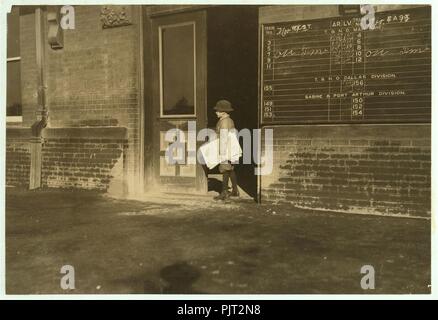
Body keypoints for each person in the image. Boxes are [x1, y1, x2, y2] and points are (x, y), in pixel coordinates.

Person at [213, 100, 240, 201]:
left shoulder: (224, 122)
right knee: (231, 169)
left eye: (217, 110)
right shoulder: (230, 120)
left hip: (226, 148)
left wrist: (222, 153)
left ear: (223, 112)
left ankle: (224, 192)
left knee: (224, 169)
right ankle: (235, 190)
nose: (216, 112)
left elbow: (223, 138)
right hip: (232, 148)